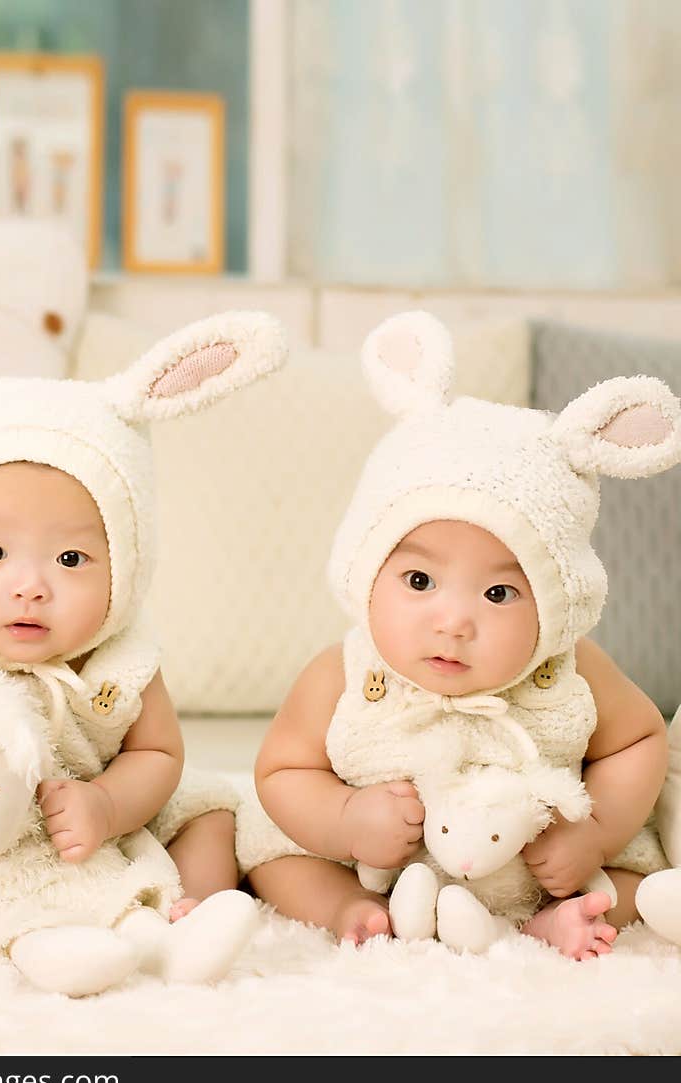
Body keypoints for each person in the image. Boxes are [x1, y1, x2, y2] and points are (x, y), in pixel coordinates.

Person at [0, 278, 288, 993]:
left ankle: (183, 910)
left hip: (93, 835)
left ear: (125, 563)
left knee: (212, 813)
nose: (29, 585)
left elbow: (159, 752)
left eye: (70, 559)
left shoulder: (119, 658)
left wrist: (107, 804)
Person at [238, 309, 680, 961]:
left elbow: (641, 740)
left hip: (535, 873)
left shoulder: (572, 670)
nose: (452, 622)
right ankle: (353, 912)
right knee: (273, 858)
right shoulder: (346, 672)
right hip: (376, 867)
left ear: (553, 605)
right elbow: (282, 770)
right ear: (368, 570)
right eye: (419, 582)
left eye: (499, 593)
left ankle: (549, 923)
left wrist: (594, 834)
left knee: (631, 878)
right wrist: (346, 820)